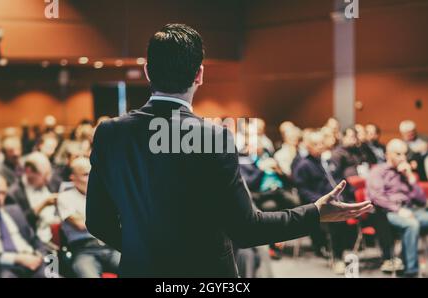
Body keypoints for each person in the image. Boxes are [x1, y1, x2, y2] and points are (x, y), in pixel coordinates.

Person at [85, 23, 372, 278]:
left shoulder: (110, 133)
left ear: (147, 71)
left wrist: (142, 251)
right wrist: (315, 213)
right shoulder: (214, 137)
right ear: (199, 74)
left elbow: (97, 221)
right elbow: (246, 229)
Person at [293, 130, 357, 274]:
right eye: (316, 144)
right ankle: (338, 258)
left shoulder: (327, 162)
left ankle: (343, 252)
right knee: (337, 220)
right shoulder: (304, 165)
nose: (321, 146)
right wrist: (320, 201)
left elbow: (340, 180)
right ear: (308, 146)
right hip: (317, 204)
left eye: (322, 143)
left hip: (337, 200)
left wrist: (349, 196)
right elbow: (302, 190)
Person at [367, 139, 428, 277]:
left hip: (411, 209)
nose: (403, 158)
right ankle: (411, 272)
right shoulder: (378, 171)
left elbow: (422, 199)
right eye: (398, 154)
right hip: (388, 212)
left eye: (405, 154)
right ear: (388, 154)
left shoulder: (404, 172)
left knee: (416, 220)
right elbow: (377, 197)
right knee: (412, 225)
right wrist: (399, 210)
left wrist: (410, 177)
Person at [57, 157, 120, 278]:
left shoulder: (103, 193)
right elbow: (81, 224)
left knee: (138, 267)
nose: (91, 178)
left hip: (111, 246)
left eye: (92, 173)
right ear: (72, 177)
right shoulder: (65, 197)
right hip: (84, 250)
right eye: (85, 174)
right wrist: (107, 217)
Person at [0, 173, 49, 278]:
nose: (0, 198)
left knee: (52, 272)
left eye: (3, 193)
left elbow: (34, 239)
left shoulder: (14, 210)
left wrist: (41, 255)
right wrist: (17, 258)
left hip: (33, 261)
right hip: (3, 267)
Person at [7, 152, 59, 244]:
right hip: (33, 242)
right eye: (44, 175)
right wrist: (43, 205)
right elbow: (19, 225)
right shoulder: (13, 194)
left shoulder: (51, 184)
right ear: (28, 171)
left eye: (49, 174)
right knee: (52, 258)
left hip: (56, 237)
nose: (48, 179)